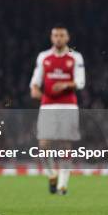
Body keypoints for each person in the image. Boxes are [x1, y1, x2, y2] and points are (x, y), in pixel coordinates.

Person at [30, 25, 85, 195]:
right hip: (48, 106)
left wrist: (66, 84)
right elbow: (35, 83)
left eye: (62, 35)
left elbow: (81, 82)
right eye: (55, 35)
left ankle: (62, 185)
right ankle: (51, 174)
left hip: (68, 105)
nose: (58, 38)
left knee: (65, 144)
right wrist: (36, 91)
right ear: (51, 38)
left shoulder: (75, 57)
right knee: (44, 143)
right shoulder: (44, 57)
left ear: (67, 38)